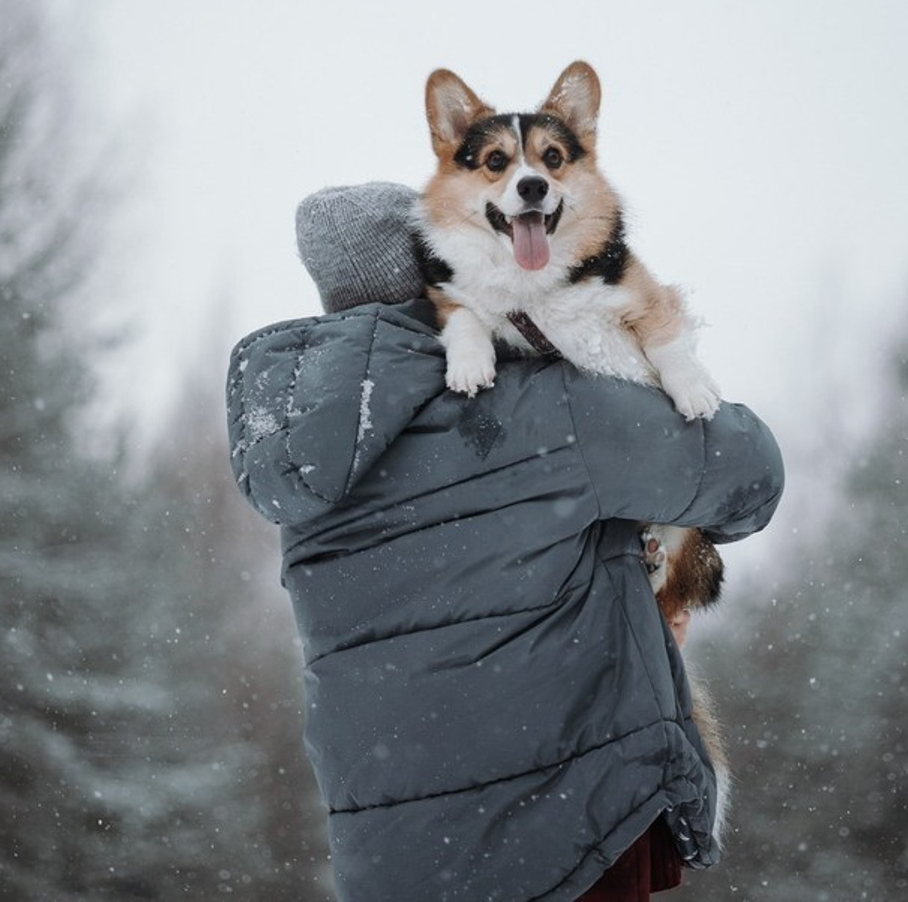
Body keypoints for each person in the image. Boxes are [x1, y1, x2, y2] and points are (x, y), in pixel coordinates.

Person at [226, 183, 784, 901]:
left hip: (396, 866)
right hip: (572, 834)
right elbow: (748, 473)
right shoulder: (546, 406)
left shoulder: (313, 467)